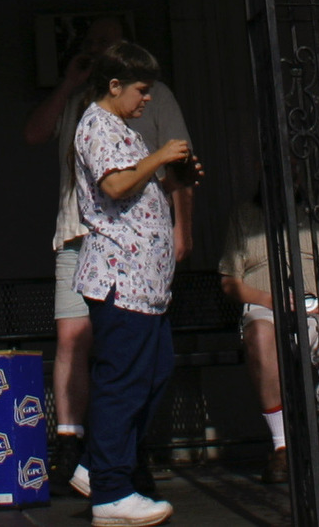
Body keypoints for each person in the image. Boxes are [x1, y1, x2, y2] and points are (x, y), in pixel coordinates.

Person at [19, 15, 193, 483]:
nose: (99, 49)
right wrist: (68, 85)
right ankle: (82, 453)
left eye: (108, 42)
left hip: (137, 253)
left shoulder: (147, 100)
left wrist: (182, 227)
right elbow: (38, 136)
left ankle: (117, 455)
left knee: (144, 363)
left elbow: (176, 162)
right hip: (89, 242)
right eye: (92, 43)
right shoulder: (88, 111)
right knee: (81, 344)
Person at [69, 39, 199, 527]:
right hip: (120, 279)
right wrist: (161, 155)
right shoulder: (97, 125)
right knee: (122, 383)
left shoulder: (123, 128)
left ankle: (96, 463)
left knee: (155, 372)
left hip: (146, 283)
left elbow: (139, 182)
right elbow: (116, 185)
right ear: (115, 84)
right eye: (142, 91)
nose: (148, 100)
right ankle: (112, 491)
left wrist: (176, 172)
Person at [217, 191, 319, 486]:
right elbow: (229, 281)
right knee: (259, 334)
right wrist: (269, 299)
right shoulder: (243, 214)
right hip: (268, 306)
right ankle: (282, 445)